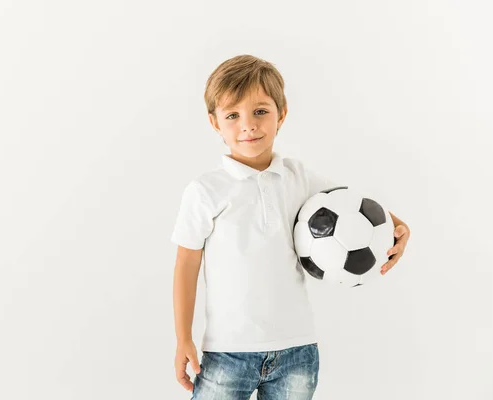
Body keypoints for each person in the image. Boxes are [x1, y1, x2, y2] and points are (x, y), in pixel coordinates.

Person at [171, 54, 411, 399]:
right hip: (227, 351)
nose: (248, 125)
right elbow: (186, 264)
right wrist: (183, 339)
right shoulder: (206, 191)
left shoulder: (297, 177)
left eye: (260, 112)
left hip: (296, 351)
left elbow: (357, 209)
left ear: (282, 114)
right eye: (233, 115)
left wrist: (400, 230)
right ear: (214, 123)